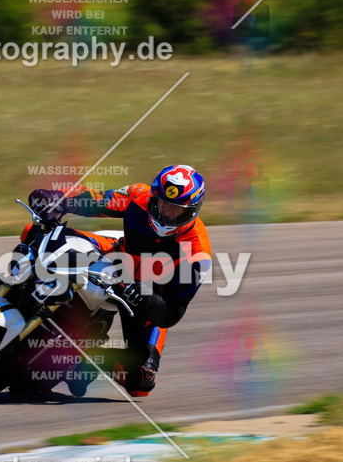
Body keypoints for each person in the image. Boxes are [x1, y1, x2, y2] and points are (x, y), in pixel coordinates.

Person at [27, 164, 211, 396]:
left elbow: (173, 312)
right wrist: (56, 198)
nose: (165, 213)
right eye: (162, 204)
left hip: (147, 296)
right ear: (154, 197)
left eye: (176, 210)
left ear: (192, 211)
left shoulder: (198, 254)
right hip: (115, 256)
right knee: (39, 234)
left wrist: (147, 298)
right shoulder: (139, 196)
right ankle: (13, 289)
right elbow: (93, 199)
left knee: (141, 381)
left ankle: (89, 358)